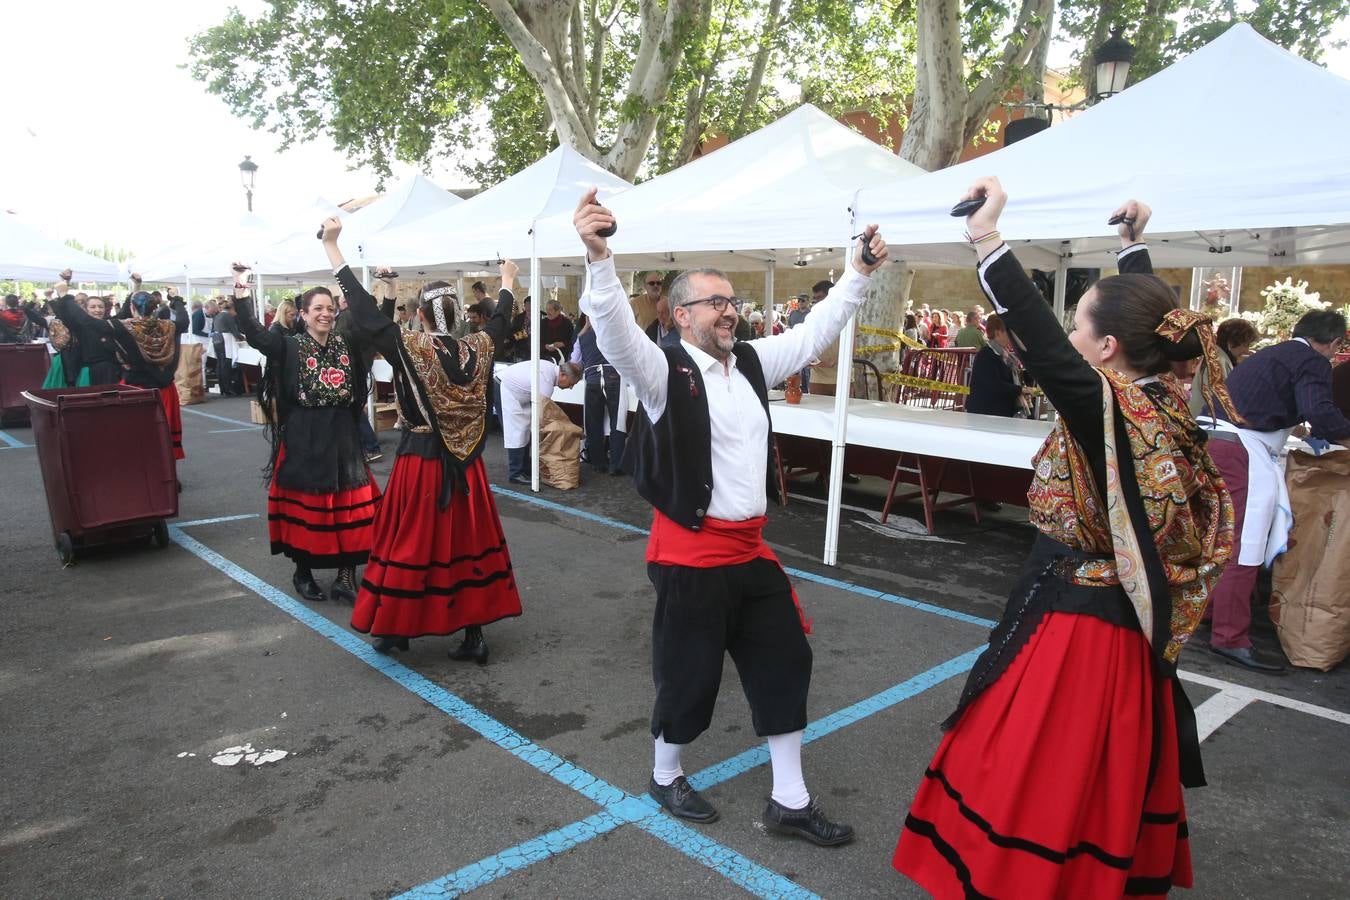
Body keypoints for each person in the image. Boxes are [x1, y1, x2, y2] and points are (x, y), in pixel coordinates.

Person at [893, 181, 1237, 899]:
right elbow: (1149, 326)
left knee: (1031, 773)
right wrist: (1132, 250)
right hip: (1118, 623)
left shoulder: (1109, 410)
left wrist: (987, 239)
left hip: (1081, 632)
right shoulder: (1160, 402)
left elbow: (1047, 349)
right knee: (1087, 777)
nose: (1070, 337)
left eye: (1080, 326)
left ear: (1105, 350)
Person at [573, 188, 888, 847]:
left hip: (749, 552)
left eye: (732, 300)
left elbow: (813, 335)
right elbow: (613, 332)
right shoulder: (660, 368)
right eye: (716, 301)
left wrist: (856, 274)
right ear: (682, 315)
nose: (730, 310)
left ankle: (790, 801)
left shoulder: (747, 360)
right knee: (690, 677)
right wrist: (599, 260)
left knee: (785, 661)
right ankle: (665, 774)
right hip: (688, 555)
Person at [335, 249, 524, 664]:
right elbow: (501, 319)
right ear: (456, 316)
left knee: (410, 544)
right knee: (466, 543)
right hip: (466, 465)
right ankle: (474, 633)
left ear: (420, 315)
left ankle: (396, 627)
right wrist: (507, 280)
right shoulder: (477, 346)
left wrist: (335, 250)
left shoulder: (411, 346)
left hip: (421, 463)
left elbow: (365, 314)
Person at [1201, 309, 1350, 672]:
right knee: (1245, 544)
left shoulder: (1274, 353)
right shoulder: (1311, 360)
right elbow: (1321, 412)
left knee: (1219, 537)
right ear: (1333, 343)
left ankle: (1207, 613)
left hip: (1219, 442)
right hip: (1241, 448)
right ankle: (1230, 637)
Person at [233, 248, 382, 608]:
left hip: (343, 436)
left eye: (330, 308)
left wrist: (387, 291)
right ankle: (304, 572)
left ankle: (347, 575)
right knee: (306, 509)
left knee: (351, 507)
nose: (326, 314)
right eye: (318, 308)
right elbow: (254, 334)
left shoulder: (346, 344)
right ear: (303, 315)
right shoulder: (288, 346)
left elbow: (378, 330)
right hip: (304, 437)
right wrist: (240, 292)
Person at [54, 279, 189, 460]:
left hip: (136, 390)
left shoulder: (124, 327)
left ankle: (143, 474)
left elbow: (86, 321)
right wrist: (177, 300)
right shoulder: (169, 326)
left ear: (133, 308)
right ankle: (168, 475)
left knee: (137, 433)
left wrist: (65, 295)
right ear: (154, 308)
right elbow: (183, 319)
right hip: (166, 389)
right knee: (164, 431)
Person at [497, 357, 582, 484]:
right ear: (563, 375)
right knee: (517, 432)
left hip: (515, 390)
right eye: (571, 383)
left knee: (523, 431)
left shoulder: (549, 370)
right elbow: (543, 416)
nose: (570, 387)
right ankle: (516, 473)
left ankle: (524, 468)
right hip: (506, 388)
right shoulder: (546, 380)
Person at [572, 316, 627, 475]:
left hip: (592, 378)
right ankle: (616, 464)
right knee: (617, 421)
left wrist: (586, 327)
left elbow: (574, 361)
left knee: (593, 421)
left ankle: (598, 462)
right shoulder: (617, 333)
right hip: (613, 376)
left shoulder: (582, 338)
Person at [1188, 317, 1258, 419]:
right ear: (1231, 343)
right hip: (1206, 423)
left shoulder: (1219, 358)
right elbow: (1221, 400)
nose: (1247, 350)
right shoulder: (1217, 362)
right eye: (1245, 345)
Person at [964, 314, 1028, 417]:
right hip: (985, 413)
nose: (1011, 336)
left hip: (999, 411)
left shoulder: (1006, 355)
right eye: (1008, 333)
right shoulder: (985, 355)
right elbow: (993, 385)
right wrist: (1020, 390)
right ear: (998, 333)